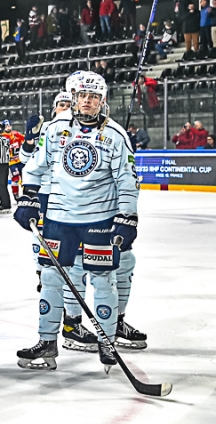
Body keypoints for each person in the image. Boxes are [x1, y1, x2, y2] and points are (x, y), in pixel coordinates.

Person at [14, 71, 139, 371]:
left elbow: (127, 180)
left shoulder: (116, 136)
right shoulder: (55, 130)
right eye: (82, 96)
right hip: (58, 218)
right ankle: (47, 341)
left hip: (99, 219)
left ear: (102, 101)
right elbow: (35, 166)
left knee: (102, 280)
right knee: (50, 279)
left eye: (93, 97)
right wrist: (28, 198)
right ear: (73, 98)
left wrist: (127, 217)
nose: (87, 101)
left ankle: (107, 342)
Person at [20, 87, 102, 350]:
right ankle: (57, 327)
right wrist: (29, 140)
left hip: (77, 204)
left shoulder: (84, 129)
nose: (66, 106)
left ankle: (72, 323)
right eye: (62, 103)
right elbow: (27, 161)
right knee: (51, 266)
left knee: (77, 268)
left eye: (69, 102)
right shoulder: (50, 129)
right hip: (49, 200)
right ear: (55, 107)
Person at [2, 120, 25, 200]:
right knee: (15, 178)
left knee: (25, 177)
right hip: (11, 162)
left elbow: (24, 140)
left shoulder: (16, 133)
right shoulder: (2, 137)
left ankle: (26, 193)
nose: (8, 127)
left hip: (21, 160)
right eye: (6, 126)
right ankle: (16, 194)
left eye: (9, 125)